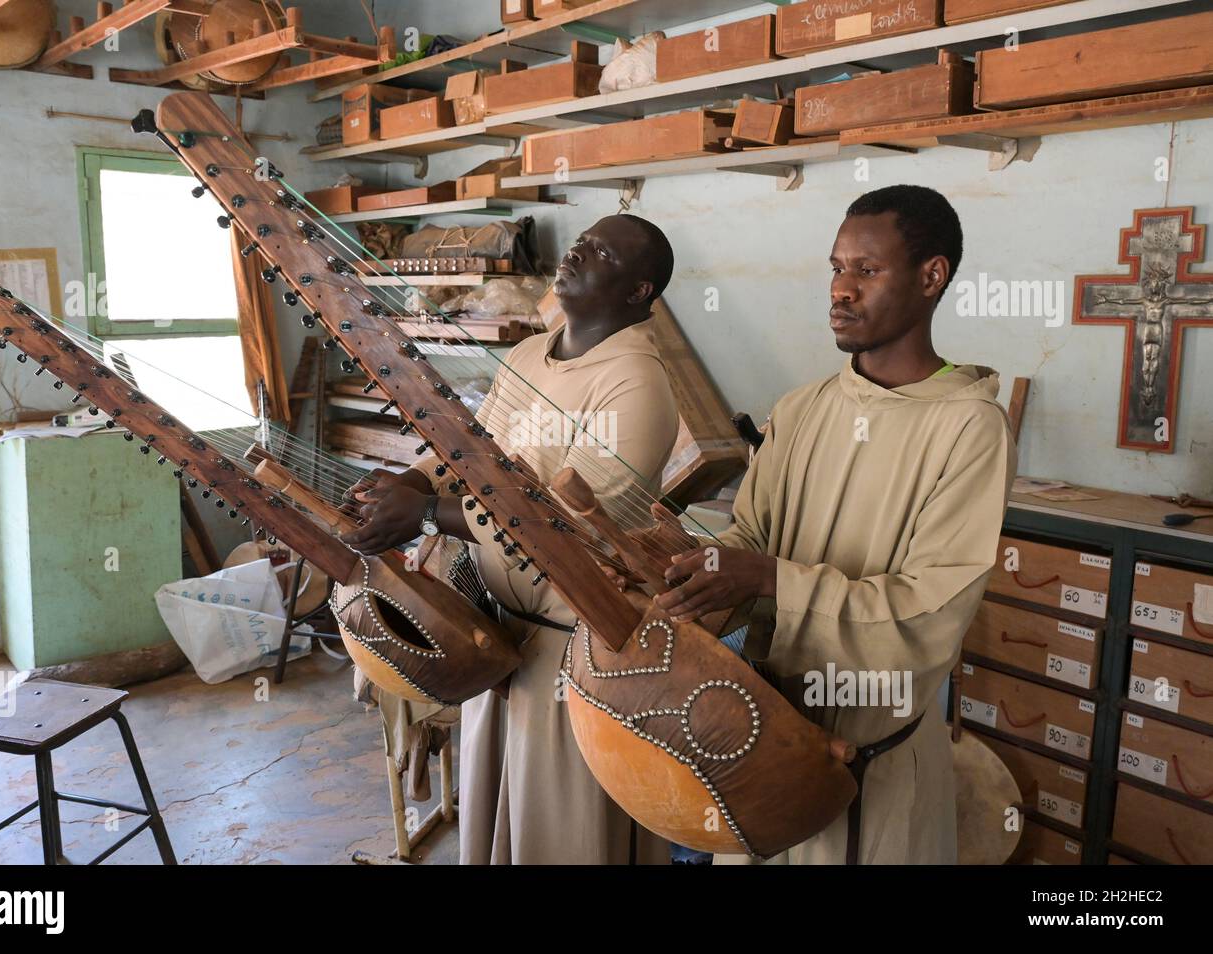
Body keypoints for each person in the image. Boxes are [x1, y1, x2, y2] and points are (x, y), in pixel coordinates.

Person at [655, 185, 1017, 865]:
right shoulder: (801, 409)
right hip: (763, 744)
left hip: (874, 759)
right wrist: (693, 567)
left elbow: (925, 614)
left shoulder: (970, 428)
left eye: (867, 271)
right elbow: (750, 541)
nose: (841, 291)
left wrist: (770, 579)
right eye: (836, 268)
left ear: (931, 277)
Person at [343, 214, 681, 864]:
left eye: (602, 250)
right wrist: (406, 482)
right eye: (583, 238)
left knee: (562, 825)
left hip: (577, 644)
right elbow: (471, 453)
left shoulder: (637, 381)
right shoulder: (531, 354)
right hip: (501, 632)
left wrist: (423, 514)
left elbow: (567, 521)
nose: (579, 249)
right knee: (500, 811)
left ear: (639, 291)